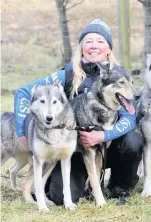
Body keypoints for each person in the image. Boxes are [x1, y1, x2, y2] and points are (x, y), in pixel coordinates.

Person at [14, 19, 143, 205]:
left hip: (109, 147)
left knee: (133, 140)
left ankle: (118, 187)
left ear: (109, 48)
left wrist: (104, 135)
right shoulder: (67, 74)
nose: (94, 46)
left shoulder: (119, 75)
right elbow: (23, 93)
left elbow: (130, 118)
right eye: (88, 41)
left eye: (100, 41)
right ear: (81, 47)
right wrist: (21, 133)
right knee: (60, 198)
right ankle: (55, 182)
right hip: (71, 147)